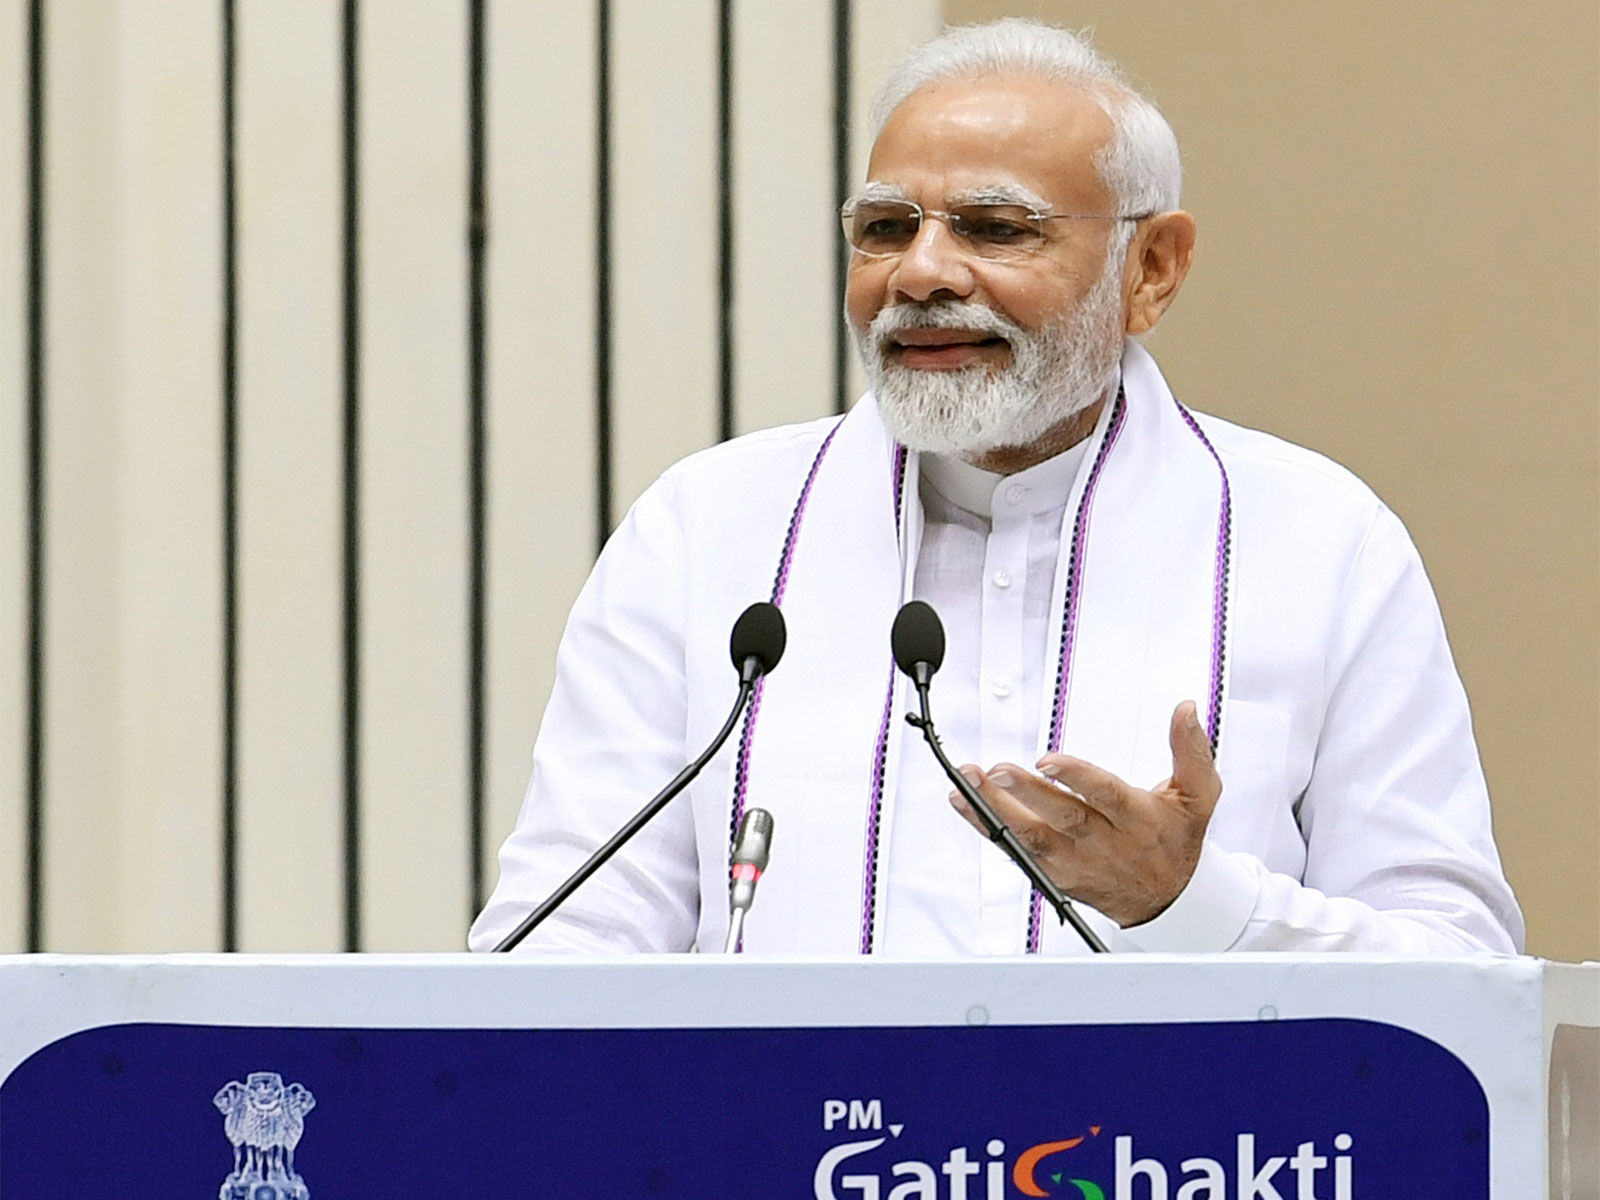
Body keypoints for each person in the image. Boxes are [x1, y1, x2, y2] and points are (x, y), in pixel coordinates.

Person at [468, 19, 1523, 957]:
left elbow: (1460, 973)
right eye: (885, 228)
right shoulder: (705, 534)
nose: (920, 273)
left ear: (1151, 268)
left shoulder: (1319, 544)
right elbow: (564, 948)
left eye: (995, 227)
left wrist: (1190, 906)